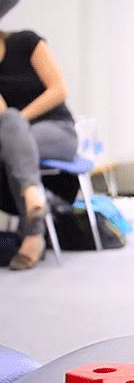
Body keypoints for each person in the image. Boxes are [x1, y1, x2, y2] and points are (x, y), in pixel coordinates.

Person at [0, 29, 78, 270]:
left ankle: (34, 234)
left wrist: (18, 123)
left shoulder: (25, 42)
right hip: (17, 143)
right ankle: (32, 193)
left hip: (57, 130)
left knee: (14, 131)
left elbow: (58, 89)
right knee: (14, 143)